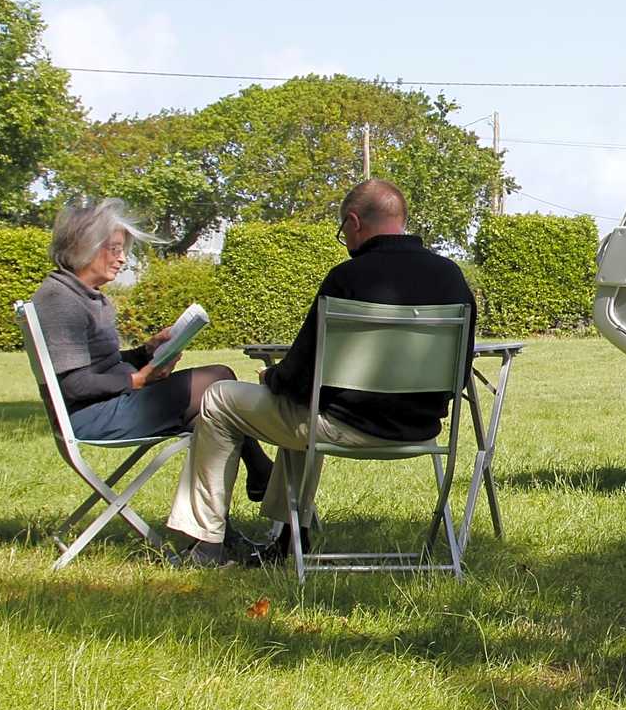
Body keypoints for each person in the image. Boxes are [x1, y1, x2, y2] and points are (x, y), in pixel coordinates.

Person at [165, 178, 476, 567]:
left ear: (353, 222)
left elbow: (302, 374)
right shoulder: (451, 277)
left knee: (220, 399)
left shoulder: (347, 278)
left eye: (342, 230)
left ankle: (205, 542)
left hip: (340, 427)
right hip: (420, 431)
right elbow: (459, 376)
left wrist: (273, 378)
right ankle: (290, 536)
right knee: (302, 407)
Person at [32, 198, 273, 510]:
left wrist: (146, 351)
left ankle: (210, 534)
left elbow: (102, 365)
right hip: (93, 417)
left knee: (212, 417)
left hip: (110, 405)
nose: (122, 260)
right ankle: (262, 473)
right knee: (219, 379)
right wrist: (137, 380)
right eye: (115, 249)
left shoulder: (85, 296)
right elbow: (74, 386)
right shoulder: (60, 300)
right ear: (86, 246)